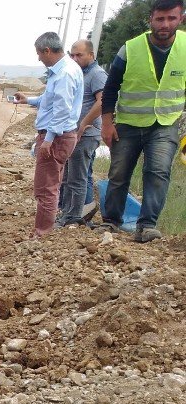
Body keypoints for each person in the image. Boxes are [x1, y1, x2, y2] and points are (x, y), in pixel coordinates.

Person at [98, 0, 185, 243]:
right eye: (160, 19)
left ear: (181, 19)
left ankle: (147, 225)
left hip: (165, 123)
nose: (165, 24)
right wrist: (107, 123)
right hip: (128, 122)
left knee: (158, 171)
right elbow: (111, 88)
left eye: (171, 18)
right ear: (151, 20)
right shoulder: (130, 48)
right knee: (119, 173)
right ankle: (111, 222)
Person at [14, 32, 84, 237]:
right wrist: (29, 100)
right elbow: (50, 99)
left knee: (46, 188)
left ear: (47, 50)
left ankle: (41, 234)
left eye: (39, 53)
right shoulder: (65, 70)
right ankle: (42, 230)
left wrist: (49, 139)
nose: (38, 58)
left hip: (56, 137)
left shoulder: (65, 74)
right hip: (59, 136)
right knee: (49, 185)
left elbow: (62, 109)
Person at [57, 39, 108, 226]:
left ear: (91, 55)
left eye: (79, 55)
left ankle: (72, 217)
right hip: (75, 133)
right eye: (72, 55)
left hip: (86, 134)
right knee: (69, 177)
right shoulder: (79, 74)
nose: (75, 58)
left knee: (76, 178)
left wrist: (83, 124)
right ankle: (66, 214)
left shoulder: (97, 74)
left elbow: (102, 102)